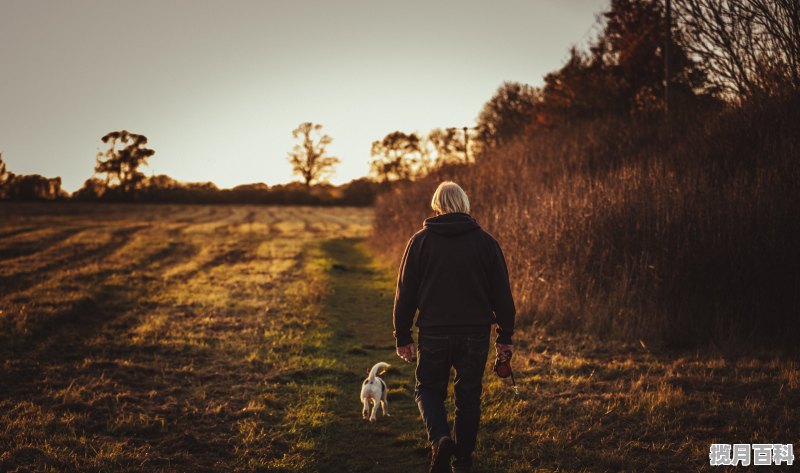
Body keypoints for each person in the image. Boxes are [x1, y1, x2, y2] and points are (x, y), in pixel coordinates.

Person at [393, 181, 516, 473]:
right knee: (469, 396)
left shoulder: (419, 241)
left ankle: (440, 439)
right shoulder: (487, 243)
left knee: (427, 389)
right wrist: (505, 336)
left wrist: (403, 336)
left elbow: (405, 292)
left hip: (434, 332)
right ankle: (462, 461)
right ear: (464, 204)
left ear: (436, 204)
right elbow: (502, 294)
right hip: (475, 334)